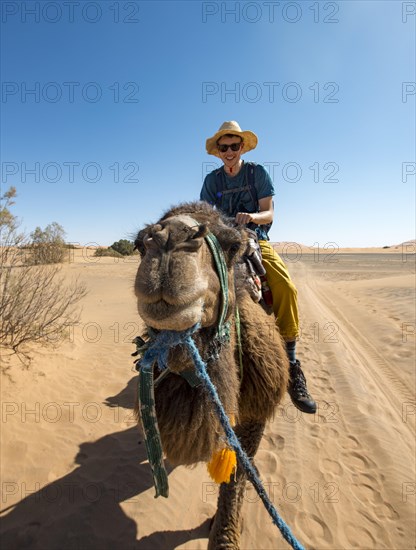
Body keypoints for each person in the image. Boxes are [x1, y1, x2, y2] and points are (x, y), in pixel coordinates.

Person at [200, 121, 317, 414]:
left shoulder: (257, 173)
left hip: (254, 239)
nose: (229, 151)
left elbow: (269, 213)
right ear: (218, 152)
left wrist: (251, 216)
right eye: (223, 147)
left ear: (242, 147)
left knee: (286, 289)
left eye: (234, 146)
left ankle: (291, 364)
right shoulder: (212, 181)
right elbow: (203, 214)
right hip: (222, 242)